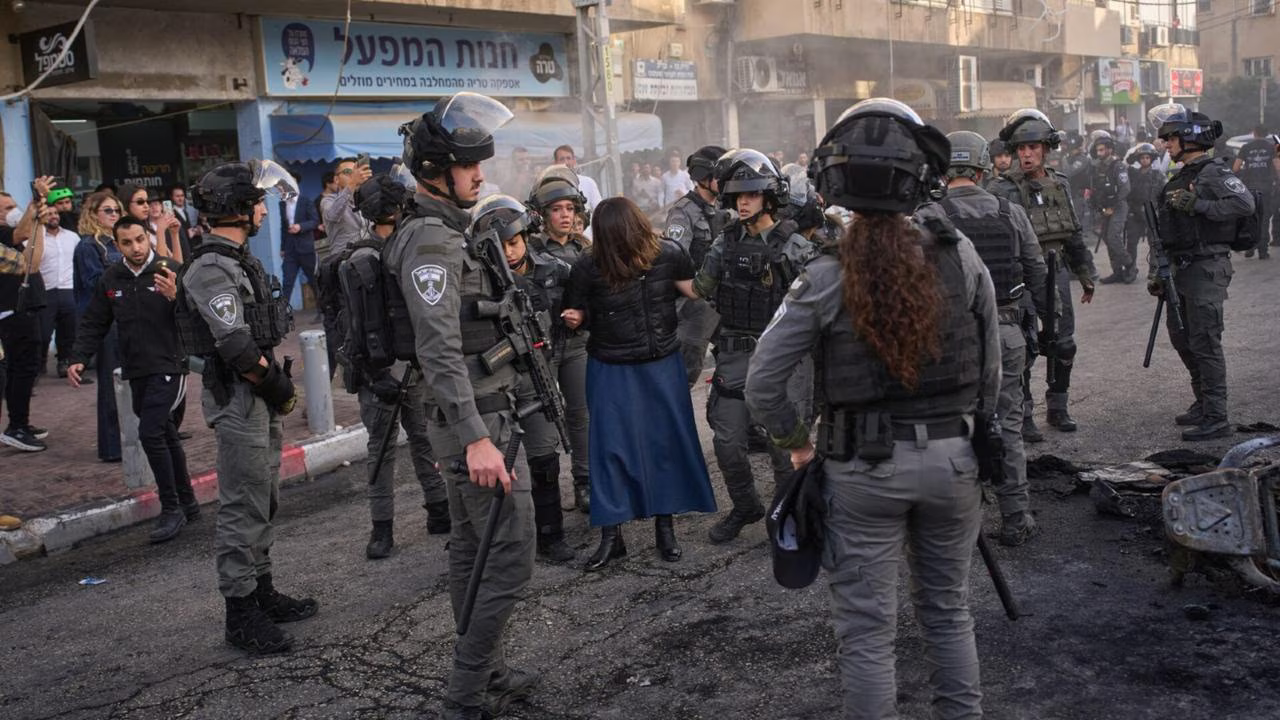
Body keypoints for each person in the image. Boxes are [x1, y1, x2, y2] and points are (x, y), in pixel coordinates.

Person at [745, 98, 999, 720]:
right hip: (954, 458)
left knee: (867, 633)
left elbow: (763, 381)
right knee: (949, 612)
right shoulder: (958, 252)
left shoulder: (825, 274)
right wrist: (976, 435)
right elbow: (991, 361)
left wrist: (797, 445)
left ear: (835, 184)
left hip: (861, 469)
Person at [383, 93, 538, 719]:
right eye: (469, 166)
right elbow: (439, 348)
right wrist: (476, 436)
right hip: (472, 421)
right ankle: (466, 694)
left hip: (479, 412)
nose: (481, 175)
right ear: (435, 171)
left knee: (473, 549)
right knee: (509, 553)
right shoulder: (429, 240)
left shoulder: (444, 230)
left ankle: (488, 675)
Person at [179, 159, 317, 654]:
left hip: (254, 396)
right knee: (242, 505)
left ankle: (261, 591)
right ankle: (240, 614)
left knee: (265, 497)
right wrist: (275, 385)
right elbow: (235, 345)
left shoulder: (238, 260)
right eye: (256, 202)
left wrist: (271, 386)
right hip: (239, 399)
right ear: (238, 209)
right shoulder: (211, 267)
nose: (263, 210)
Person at [561, 197, 716, 570]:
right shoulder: (589, 265)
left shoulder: (668, 253)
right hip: (612, 366)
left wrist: (722, 257)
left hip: (660, 363)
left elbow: (694, 290)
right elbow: (576, 309)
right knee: (610, 451)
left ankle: (666, 530)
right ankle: (612, 536)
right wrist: (573, 317)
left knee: (664, 447)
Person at [694, 149, 815, 544]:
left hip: (782, 359)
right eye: (736, 196)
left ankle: (789, 514)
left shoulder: (794, 246)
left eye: (751, 195)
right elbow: (701, 289)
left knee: (785, 448)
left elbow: (819, 306)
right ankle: (746, 505)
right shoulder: (723, 243)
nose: (743, 202)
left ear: (769, 197)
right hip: (733, 353)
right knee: (727, 441)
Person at [939, 130, 1049, 546]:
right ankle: (1017, 517)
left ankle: (959, 523)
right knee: (1009, 427)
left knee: (953, 428)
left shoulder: (930, 216)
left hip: (953, 339)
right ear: (983, 167)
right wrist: (1037, 324)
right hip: (1006, 331)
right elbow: (1037, 273)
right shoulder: (1010, 211)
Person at [338, 174, 451, 560]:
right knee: (389, 449)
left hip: (403, 368)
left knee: (420, 440)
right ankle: (382, 528)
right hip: (384, 372)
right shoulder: (366, 260)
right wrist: (374, 375)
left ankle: (438, 512)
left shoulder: (394, 250)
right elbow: (355, 326)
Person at [67, 216, 197, 542]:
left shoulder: (171, 270)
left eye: (140, 239)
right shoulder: (112, 277)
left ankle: (171, 509)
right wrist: (79, 358)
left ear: (148, 237)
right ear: (117, 245)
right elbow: (95, 320)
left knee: (150, 432)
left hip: (170, 365)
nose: (136, 247)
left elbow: (198, 316)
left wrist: (176, 297)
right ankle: (189, 501)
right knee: (164, 432)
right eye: (127, 242)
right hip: (136, 369)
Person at [471, 194, 575, 563]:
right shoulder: (477, 281)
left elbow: (574, 313)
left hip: (535, 372)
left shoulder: (553, 270)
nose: (510, 252)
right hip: (494, 380)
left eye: (514, 242)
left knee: (544, 455)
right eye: (501, 246)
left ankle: (551, 533)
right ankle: (496, 537)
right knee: (495, 462)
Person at [1147, 104, 1256, 441]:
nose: (1166, 144)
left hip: (1206, 267)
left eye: (1171, 138)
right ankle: (1202, 401)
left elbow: (1245, 204)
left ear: (1190, 139)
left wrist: (1199, 205)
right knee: (1182, 338)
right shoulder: (1180, 177)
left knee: (1205, 342)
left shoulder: (1213, 173)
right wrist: (1157, 272)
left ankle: (1216, 416)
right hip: (1180, 269)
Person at [989, 108, 1098, 437]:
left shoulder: (1060, 183)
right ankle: (1023, 415)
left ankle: (1058, 407)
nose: (1026, 154)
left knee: (1063, 344)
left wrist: (1085, 272)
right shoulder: (1002, 189)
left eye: (1033, 147)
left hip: (1057, 269)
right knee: (1022, 346)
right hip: (1020, 275)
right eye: (1021, 149)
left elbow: (1073, 231)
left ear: (1045, 149)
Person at [526, 165, 593, 513]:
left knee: (581, 416)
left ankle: (584, 482)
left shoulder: (585, 249)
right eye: (557, 209)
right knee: (543, 421)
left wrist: (584, 315)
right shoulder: (528, 249)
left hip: (577, 345)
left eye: (570, 208)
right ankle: (545, 492)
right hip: (541, 349)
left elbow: (601, 296)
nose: (565, 216)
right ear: (542, 214)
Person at [665, 145, 728, 385]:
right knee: (687, 369)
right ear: (704, 178)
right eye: (719, 176)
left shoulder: (725, 207)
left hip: (723, 299)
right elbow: (673, 260)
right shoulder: (683, 213)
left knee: (738, 358)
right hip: (695, 305)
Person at [1, 178, 56, 452]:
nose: (14, 210)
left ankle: (19, 422)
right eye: (7, 207)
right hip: (12, 311)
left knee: (22, 369)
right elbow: (23, 236)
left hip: (25, 307)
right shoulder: (5, 235)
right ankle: (17, 427)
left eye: (14, 205)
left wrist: (39, 216)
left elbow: (35, 258)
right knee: (21, 369)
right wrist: (36, 206)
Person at [74, 191, 124, 461]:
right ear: (93, 214)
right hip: (105, 322)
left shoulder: (118, 242)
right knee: (110, 383)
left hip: (125, 318)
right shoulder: (87, 246)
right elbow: (95, 284)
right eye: (108, 210)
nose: (114, 214)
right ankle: (112, 446)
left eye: (117, 210)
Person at [37, 187, 82, 380]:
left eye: (56, 213)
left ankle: (64, 362)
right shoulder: (37, 238)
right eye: (49, 213)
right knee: (43, 333)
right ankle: (37, 366)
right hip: (46, 290)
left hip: (68, 289)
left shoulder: (72, 237)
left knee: (68, 331)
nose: (54, 216)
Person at [1232, 126, 1279, 259]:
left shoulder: (1246, 147)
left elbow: (1235, 168)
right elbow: (1277, 167)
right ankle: (1263, 251)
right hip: (1266, 187)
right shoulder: (1271, 147)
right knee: (1264, 219)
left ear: (1254, 133)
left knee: (1250, 217)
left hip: (1249, 188)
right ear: (1266, 134)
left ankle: (1250, 248)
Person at [279, 175, 321, 307]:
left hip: (306, 247)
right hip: (290, 248)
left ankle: (323, 310)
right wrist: (282, 247)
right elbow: (283, 227)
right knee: (287, 281)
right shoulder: (282, 204)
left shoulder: (306, 201)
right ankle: (283, 313)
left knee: (313, 280)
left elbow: (315, 221)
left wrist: (300, 227)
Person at [1125, 143, 1163, 270]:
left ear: (1151, 159)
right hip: (1135, 212)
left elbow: (1162, 194)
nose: (1144, 160)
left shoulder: (1157, 175)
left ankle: (1154, 269)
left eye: (1147, 157)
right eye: (1141, 158)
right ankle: (1130, 269)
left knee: (1154, 243)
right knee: (1131, 242)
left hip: (1151, 212)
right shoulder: (1133, 174)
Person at [121, 186, 175, 259]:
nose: (146, 206)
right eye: (140, 202)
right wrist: (160, 231)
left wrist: (175, 234)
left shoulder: (146, 229)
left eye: (147, 202)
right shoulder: (124, 231)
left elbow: (176, 264)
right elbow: (160, 263)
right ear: (126, 203)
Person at [553, 145, 603, 211]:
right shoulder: (551, 186)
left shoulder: (588, 182)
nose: (566, 162)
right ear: (555, 163)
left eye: (568, 158)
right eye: (562, 159)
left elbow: (599, 210)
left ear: (574, 161)